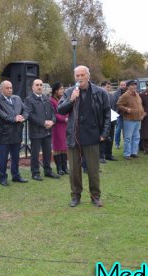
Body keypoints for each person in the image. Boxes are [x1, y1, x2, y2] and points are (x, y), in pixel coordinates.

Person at [58, 65, 111, 208]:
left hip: (92, 136)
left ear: (88, 76)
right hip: (74, 136)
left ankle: (95, 196)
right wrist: (71, 99)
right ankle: (75, 196)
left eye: (82, 75)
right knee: (74, 170)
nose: (80, 78)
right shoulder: (69, 92)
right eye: (77, 76)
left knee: (93, 170)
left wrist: (104, 133)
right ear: (74, 77)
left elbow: (107, 114)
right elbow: (60, 110)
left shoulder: (100, 92)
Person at [0, 80, 29, 186]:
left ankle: (16, 176)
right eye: (7, 88)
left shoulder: (17, 98)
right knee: (3, 157)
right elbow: (1, 115)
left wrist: (23, 117)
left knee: (16, 156)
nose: (10, 90)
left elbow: (26, 110)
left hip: (17, 133)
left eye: (11, 88)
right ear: (1, 89)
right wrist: (14, 118)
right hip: (4, 134)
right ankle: (2, 178)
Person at [25, 79, 59, 181]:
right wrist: (43, 123)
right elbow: (30, 115)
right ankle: (35, 173)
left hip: (48, 131)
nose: (39, 87)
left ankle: (48, 171)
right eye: (37, 85)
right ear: (32, 87)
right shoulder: (28, 99)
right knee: (35, 154)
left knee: (48, 152)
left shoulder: (46, 98)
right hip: (36, 131)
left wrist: (52, 121)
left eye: (41, 85)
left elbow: (53, 112)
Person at [117, 80, 146, 160]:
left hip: (138, 119)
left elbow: (140, 105)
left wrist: (142, 114)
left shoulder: (137, 94)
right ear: (128, 86)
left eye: (135, 85)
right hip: (129, 119)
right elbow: (118, 104)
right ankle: (127, 154)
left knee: (136, 137)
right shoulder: (125, 95)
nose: (134, 87)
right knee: (128, 138)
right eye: (132, 85)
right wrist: (126, 109)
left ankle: (134, 153)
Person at [50, 82, 69, 175]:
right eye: (61, 89)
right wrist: (64, 118)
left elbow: (67, 109)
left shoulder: (63, 99)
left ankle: (65, 167)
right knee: (57, 147)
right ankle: (59, 168)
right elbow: (54, 114)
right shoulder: (51, 100)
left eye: (63, 89)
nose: (63, 90)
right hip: (57, 126)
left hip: (65, 125)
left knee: (64, 146)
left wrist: (68, 117)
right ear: (56, 90)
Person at [100, 80, 118, 163]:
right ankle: (101, 156)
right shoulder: (99, 95)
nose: (109, 88)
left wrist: (115, 114)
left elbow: (115, 106)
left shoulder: (111, 95)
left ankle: (109, 154)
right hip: (104, 121)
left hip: (112, 119)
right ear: (102, 87)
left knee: (111, 138)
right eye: (107, 87)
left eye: (110, 86)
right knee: (104, 138)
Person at [113, 81, 127, 149]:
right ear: (119, 86)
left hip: (127, 115)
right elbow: (114, 103)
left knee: (126, 130)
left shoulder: (128, 93)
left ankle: (126, 143)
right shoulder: (116, 94)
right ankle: (117, 143)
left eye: (124, 85)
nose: (123, 86)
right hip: (119, 115)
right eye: (122, 85)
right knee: (118, 130)